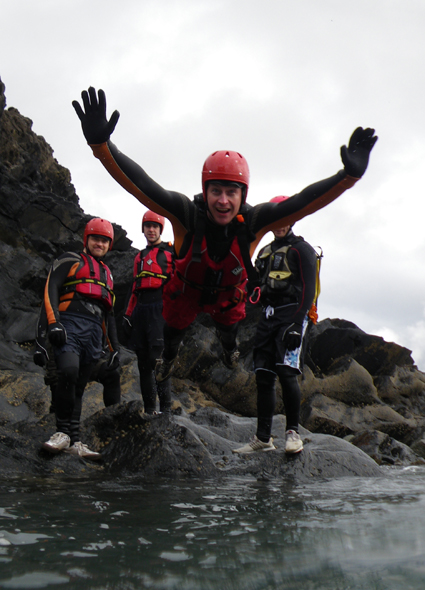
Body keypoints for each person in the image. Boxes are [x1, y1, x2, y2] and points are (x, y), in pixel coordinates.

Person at [72, 87, 377, 381]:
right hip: (186, 291)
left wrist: (346, 177)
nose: (223, 200)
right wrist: (102, 147)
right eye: (215, 190)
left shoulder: (255, 220)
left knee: (229, 330)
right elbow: (143, 185)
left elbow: (303, 202)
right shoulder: (187, 214)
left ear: (243, 194)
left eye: (232, 192)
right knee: (172, 331)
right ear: (205, 192)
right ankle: (169, 357)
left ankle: (229, 351)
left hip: (228, 295)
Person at [233, 196, 319, 454]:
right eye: (275, 221)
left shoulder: (302, 250)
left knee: (286, 372)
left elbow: (308, 288)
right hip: (268, 317)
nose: (279, 226)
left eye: (284, 221)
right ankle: (263, 438)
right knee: (263, 375)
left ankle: (293, 433)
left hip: (292, 315)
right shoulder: (265, 252)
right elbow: (254, 282)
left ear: (292, 220)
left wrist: (296, 323)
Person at [40, 217, 120, 460]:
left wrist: (114, 348)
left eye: (105, 240)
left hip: (94, 333)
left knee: (79, 387)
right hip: (69, 326)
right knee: (68, 372)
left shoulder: (107, 274)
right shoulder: (69, 260)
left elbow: (109, 315)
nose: (100, 243)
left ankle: (74, 440)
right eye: (96, 238)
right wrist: (53, 325)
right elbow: (50, 288)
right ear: (86, 239)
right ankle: (61, 433)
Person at [122, 210, 174, 414]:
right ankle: (150, 409)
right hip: (141, 310)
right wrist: (127, 316)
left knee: (158, 361)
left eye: (155, 226)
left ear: (160, 229)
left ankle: (166, 410)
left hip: (160, 309)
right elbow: (134, 289)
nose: (151, 230)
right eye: (148, 226)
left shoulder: (171, 253)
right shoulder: (139, 257)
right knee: (143, 364)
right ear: (143, 229)